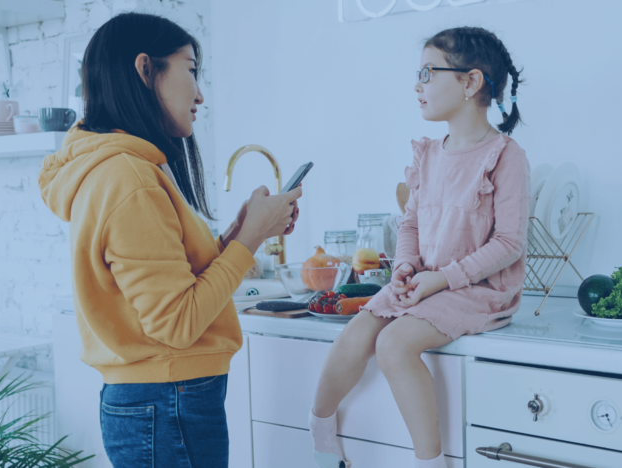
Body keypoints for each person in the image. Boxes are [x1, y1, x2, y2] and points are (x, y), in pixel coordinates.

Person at [38, 12, 301, 468]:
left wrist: (236, 236)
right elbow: (178, 323)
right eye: (192, 69)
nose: (201, 95)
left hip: (161, 400)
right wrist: (252, 237)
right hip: (168, 400)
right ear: (146, 70)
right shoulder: (130, 178)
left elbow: (170, 287)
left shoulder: (124, 168)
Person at [309, 26, 529, 468]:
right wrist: (405, 266)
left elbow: (509, 243)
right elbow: (410, 222)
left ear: (470, 82)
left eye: (428, 72)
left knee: (393, 345)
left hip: (474, 289)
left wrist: (441, 279)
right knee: (356, 335)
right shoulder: (428, 153)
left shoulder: (505, 156)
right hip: (423, 281)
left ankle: (431, 463)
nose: (418, 84)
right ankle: (319, 427)